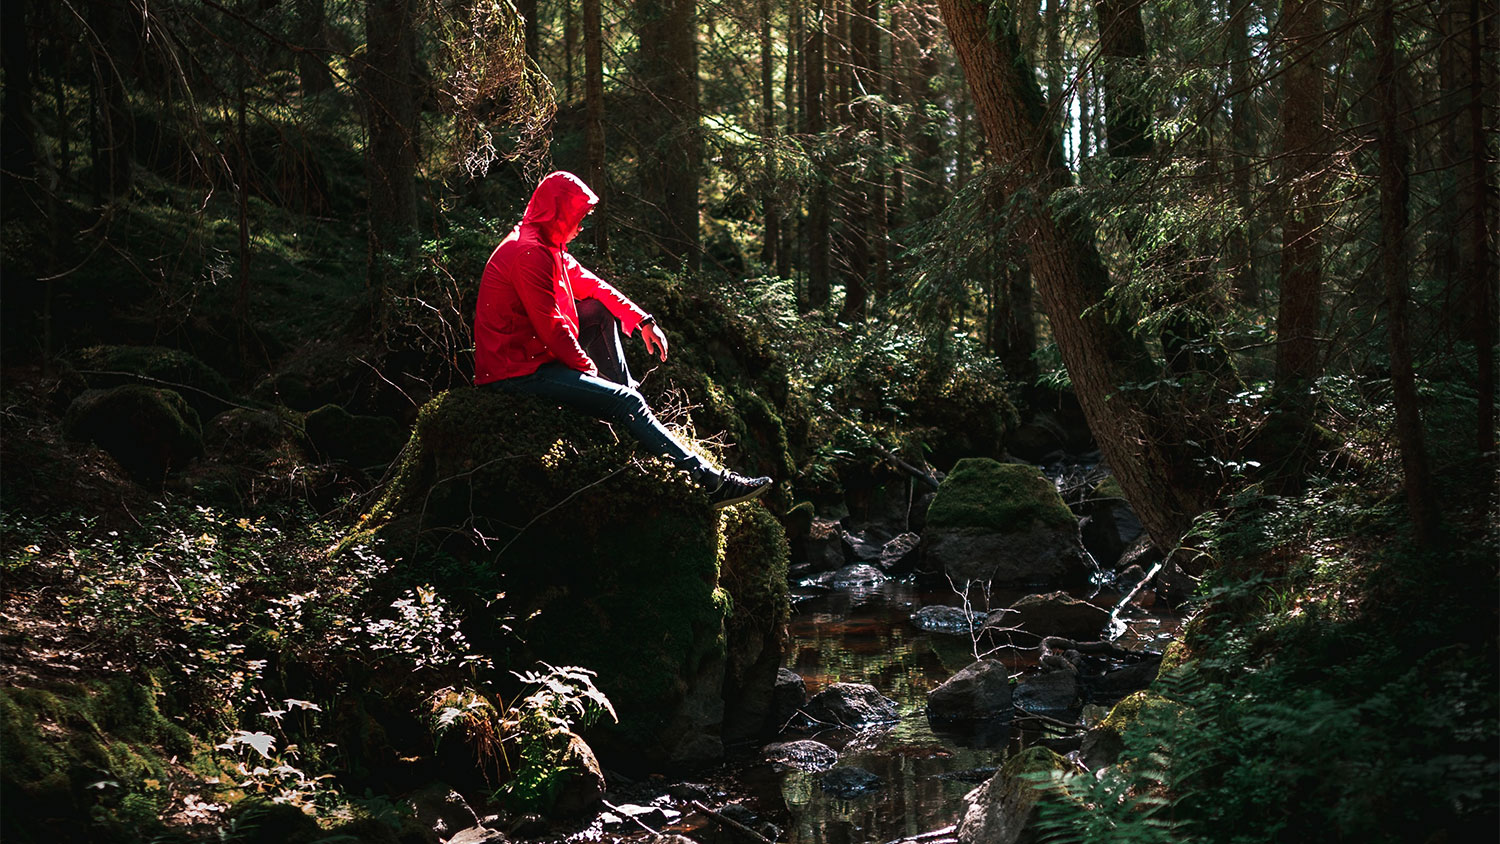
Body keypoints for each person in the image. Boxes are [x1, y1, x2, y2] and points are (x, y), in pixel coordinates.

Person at [474, 171, 772, 508]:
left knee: (598, 313)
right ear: (558, 213)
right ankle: (708, 483)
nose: (581, 227)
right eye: (578, 218)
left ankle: (629, 405)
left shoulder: (546, 244)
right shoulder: (530, 252)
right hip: (515, 371)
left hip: (533, 356)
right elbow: (552, 327)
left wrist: (643, 321)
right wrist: (587, 371)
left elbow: (594, 286)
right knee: (625, 402)